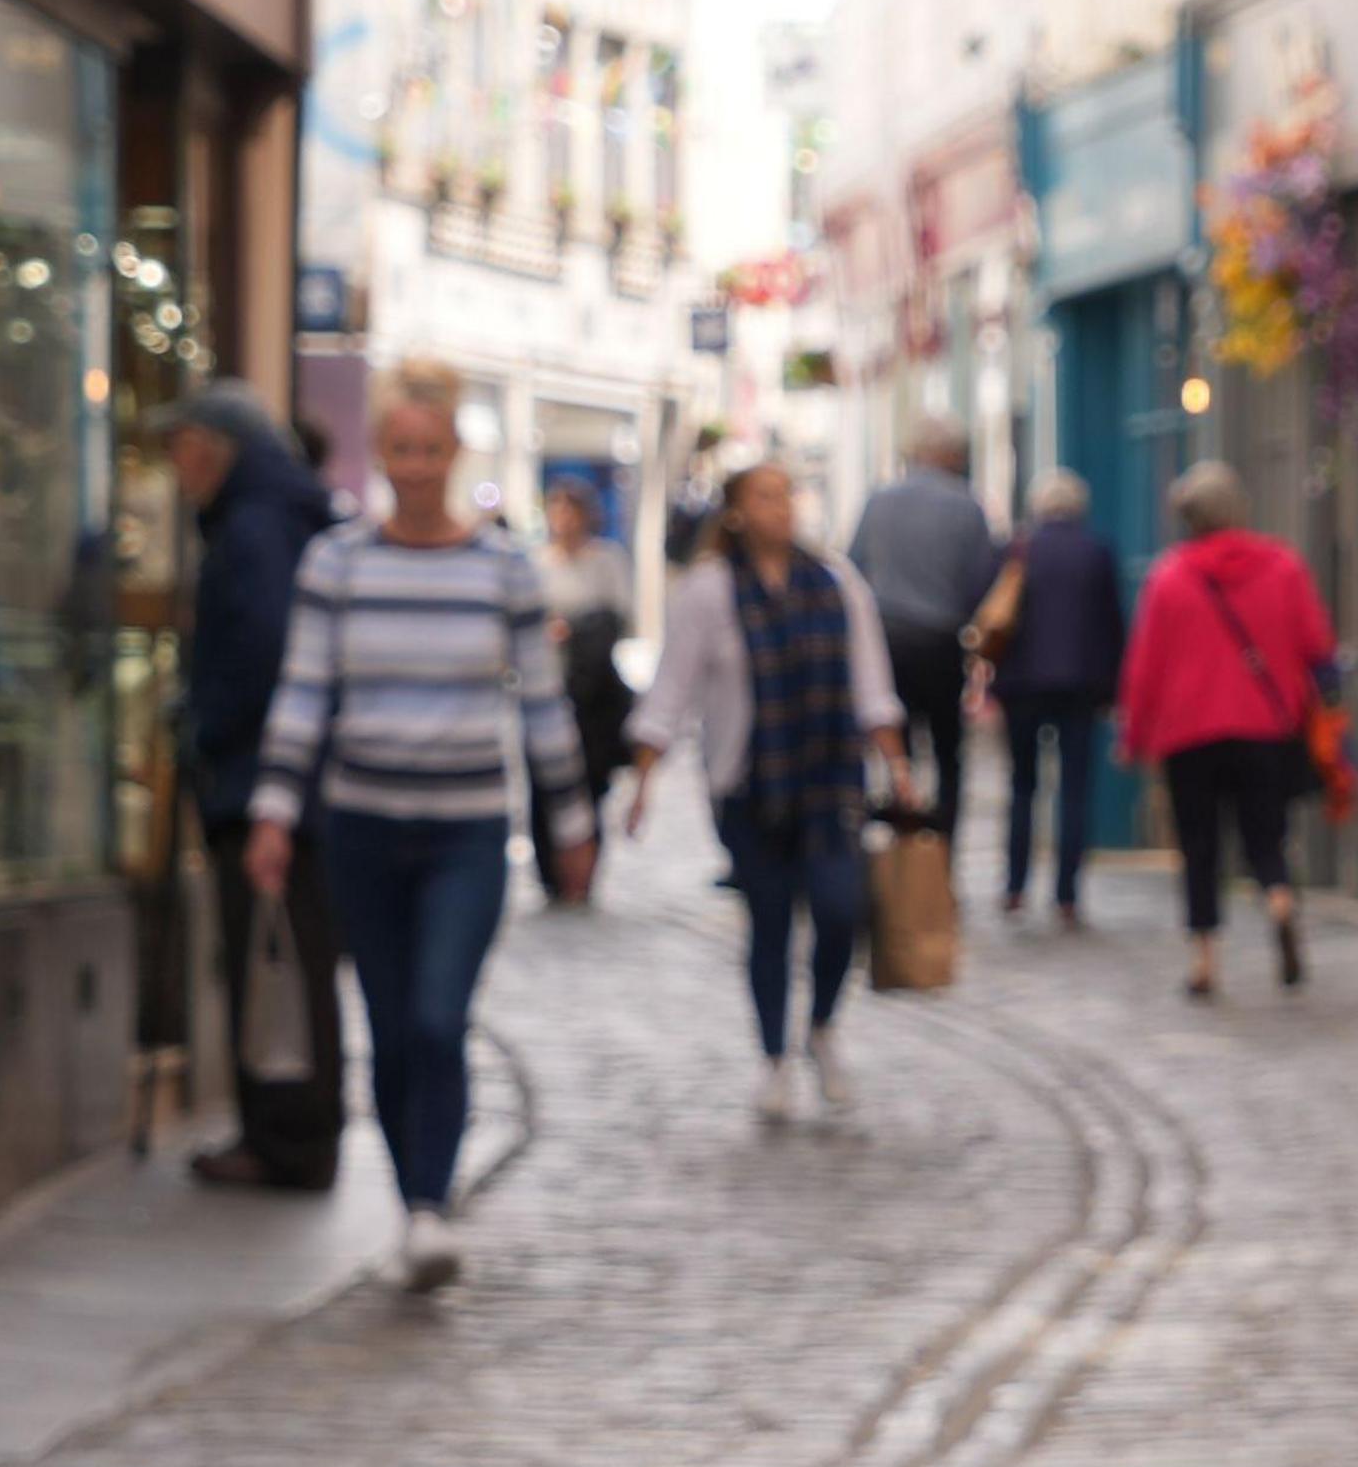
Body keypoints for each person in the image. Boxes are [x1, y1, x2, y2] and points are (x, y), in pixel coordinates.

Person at [249, 361, 594, 1289]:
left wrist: (571, 821)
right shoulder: (338, 563)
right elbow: (305, 693)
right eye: (397, 449)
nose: (412, 464)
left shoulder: (503, 570)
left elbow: (543, 706)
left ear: (452, 455)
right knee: (392, 1029)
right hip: (362, 830)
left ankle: (432, 1205)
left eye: (428, 449)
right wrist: (276, 811)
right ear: (381, 455)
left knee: (440, 1021)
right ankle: (415, 1207)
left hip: (465, 835)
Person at [629, 462, 914, 1122]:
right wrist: (644, 777)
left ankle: (820, 1026)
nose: (781, 507)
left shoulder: (838, 582)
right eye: (765, 496)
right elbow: (673, 687)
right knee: (771, 921)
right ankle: (773, 1059)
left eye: (787, 495)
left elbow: (871, 679)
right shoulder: (709, 590)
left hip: (832, 777)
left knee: (841, 909)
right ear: (736, 511)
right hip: (749, 784)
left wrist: (896, 765)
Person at [160, 381, 344, 1193]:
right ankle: (286, 1130)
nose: (175, 470)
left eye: (182, 450)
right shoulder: (268, 515)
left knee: (273, 954)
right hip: (276, 776)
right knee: (283, 955)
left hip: (261, 783)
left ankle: (287, 1136)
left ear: (213, 449)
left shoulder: (255, 526)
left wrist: (209, 724)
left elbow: (269, 652)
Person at [1119, 462, 1333, 999]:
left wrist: (1134, 736)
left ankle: (1204, 960)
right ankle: (1279, 899)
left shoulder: (1169, 577)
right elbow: (1318, 645)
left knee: (1199, 845)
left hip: (1189, 734)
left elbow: (1146, 667)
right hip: (1265, 726)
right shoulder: (1283, 566)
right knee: (1266, 835)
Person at [846, 419, 998, 835]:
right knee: (949, 751)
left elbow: (853, 568)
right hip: (940, 640)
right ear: (950, 455)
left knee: (898, 747)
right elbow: (983, 580)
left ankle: (904, 839)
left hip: (887, 637)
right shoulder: (967, 506)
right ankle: (942, 852)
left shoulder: (879, 500)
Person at [995, 472, 1126, 926]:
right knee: (1074, 790)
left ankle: (1015, 885)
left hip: (1023, 685)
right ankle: (1067, 893)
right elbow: (1113, 626)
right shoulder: (1097, 552)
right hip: (1081, 685)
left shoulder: (1018, 550)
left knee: (1022, 786)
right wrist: (1113, 690)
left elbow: (997, 617)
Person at [537, 482, 637, 901]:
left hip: (594, 696)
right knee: (544, 785)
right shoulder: (537, 564)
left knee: (590, 785)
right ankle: (552, 874)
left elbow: (621, 617)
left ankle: (585, 869)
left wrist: (575, 629)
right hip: (548, 689)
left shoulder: (606, 561)